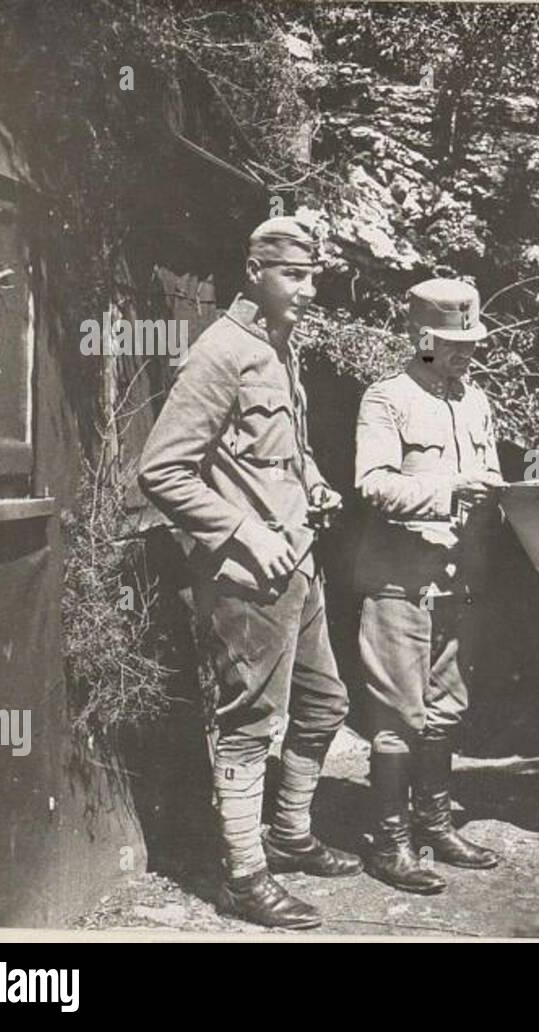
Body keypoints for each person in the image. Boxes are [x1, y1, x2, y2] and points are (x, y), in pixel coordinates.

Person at [138, 216, 359, 931]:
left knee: (325, 704)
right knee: (250, 724)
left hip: (298, 561)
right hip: (248, 573)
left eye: (313, 275)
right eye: (294, 274)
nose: (308, 288)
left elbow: (279, 451)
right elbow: (161, 469)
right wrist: (241, 532)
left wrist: (316, 481)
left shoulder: (277, 346)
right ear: (255, 271)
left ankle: (289, 834)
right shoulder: (220, 353)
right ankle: (244, 876)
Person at [353, 278, 504, 894]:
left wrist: (491, 489)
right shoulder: (386, 399)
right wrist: (448, 491)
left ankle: (435, 823)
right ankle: (390, 843)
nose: (467, 353)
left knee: (445, 707)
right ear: (422, 339)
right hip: (398, 578)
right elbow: (371, 482)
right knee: (398, 714)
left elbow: (490, 469)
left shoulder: (477, 401)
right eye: (453, 342)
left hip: (455, 579)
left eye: (472, 342)